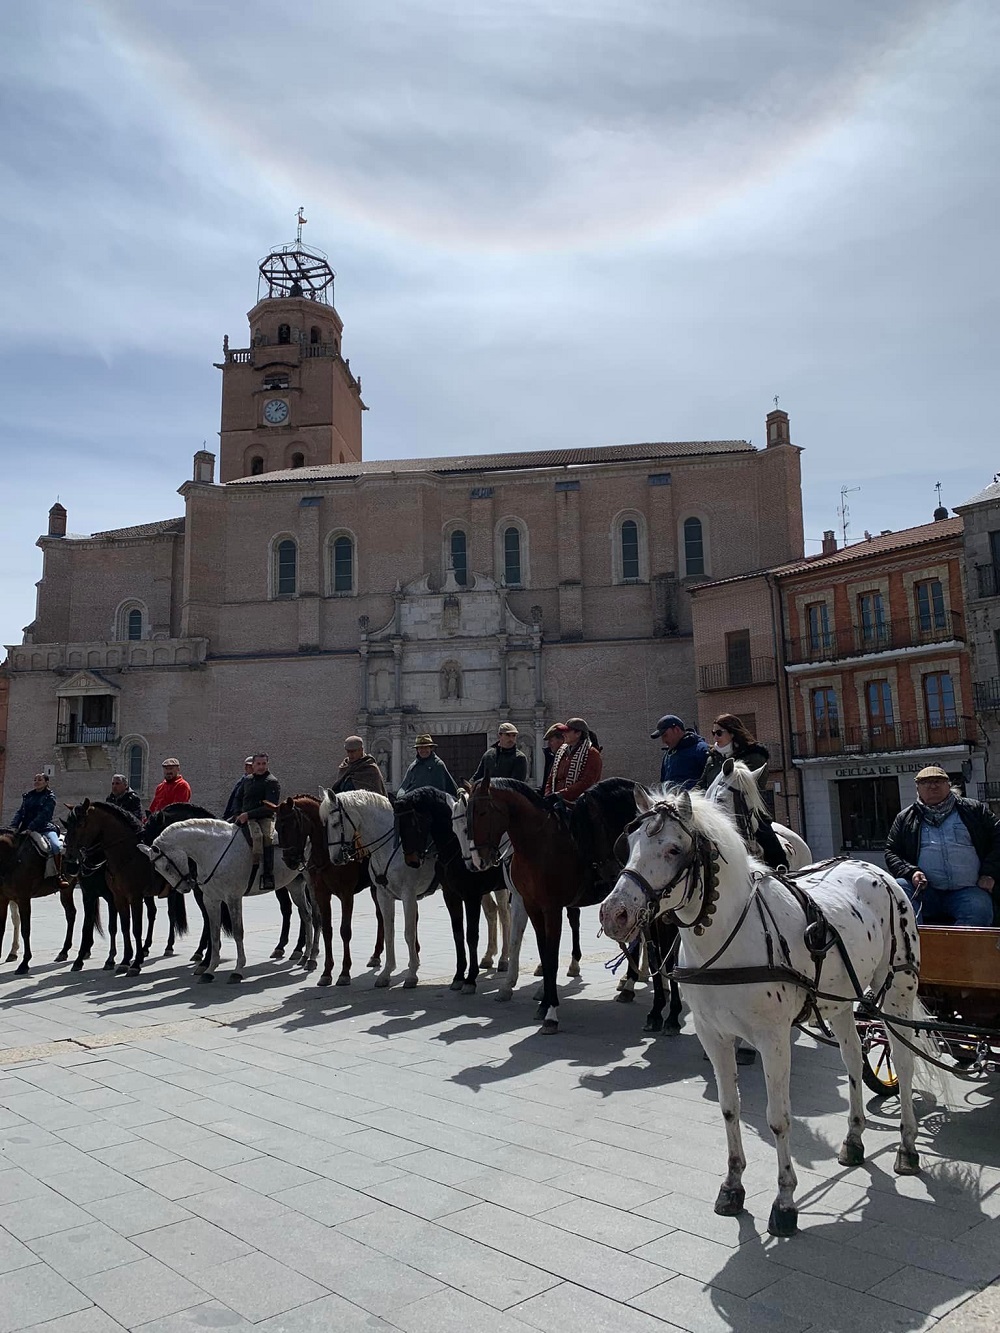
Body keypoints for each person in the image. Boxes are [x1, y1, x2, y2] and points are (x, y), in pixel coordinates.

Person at [885, 767, 1000, 927]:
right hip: (925, 892)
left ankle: (962, 952)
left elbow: (998, 837)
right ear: (917, 788)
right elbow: (892, 851)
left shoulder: (974, 810)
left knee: (979, 910)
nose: (933, 786)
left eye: (938, 781)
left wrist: (989, 873)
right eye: (926, 782)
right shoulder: (905, 818)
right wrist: (911, 872)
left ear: (948, 785)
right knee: (899, 888)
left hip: (968, 890)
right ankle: (915, 947)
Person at [695, 715, 787, 872]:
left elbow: (756, 784)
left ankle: (781, 867)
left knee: (763, 831)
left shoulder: (753, 756)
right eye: (713, 733)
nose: (715, 737)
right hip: (717, 813)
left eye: (719, 733)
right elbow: (702, 784)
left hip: (746, 809)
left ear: (732, 733)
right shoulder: (713, 758)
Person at [234, 752, 280, 891]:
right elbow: (238, 798)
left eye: (263, 764)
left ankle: (267, 874)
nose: (261, 767)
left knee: (265, 837)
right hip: (245, 816)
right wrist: (238, 813)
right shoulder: (247, 780)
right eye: (258, 764)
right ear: (252, 765)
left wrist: (248, 814)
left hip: (264, 817)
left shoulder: (272, 782)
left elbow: (269, 806)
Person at [11, 772, 67, 885]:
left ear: (46, 782)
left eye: (40, 780)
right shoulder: (28, 796)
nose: (36, 782)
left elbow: (45, 814)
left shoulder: (50, 797)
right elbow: (20, 812)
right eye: (35, 780)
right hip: (26, 828)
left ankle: (59, 875)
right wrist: (13, 826)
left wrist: (32, 826)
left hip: (44, 828)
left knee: (56, 846)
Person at [544, 718, 603, 804]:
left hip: (580, 804)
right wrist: (548, 795)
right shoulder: (561, 751)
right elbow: (551, 777)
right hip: (557, 801)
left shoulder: (592, 754)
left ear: (578, 733)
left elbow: (586, 782)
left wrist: (560, 795)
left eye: (567, 731)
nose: (563, 734)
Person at [651, 714, 709, 790]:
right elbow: (663, 783)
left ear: (677, 730)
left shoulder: (701, 750)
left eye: (665, 735)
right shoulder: (668, 755)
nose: (663, 741)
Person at [539, 722, 568, 795]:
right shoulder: (550, 757)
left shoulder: (568, 758)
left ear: (562, 740)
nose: (549, 744)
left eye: (551, 741)